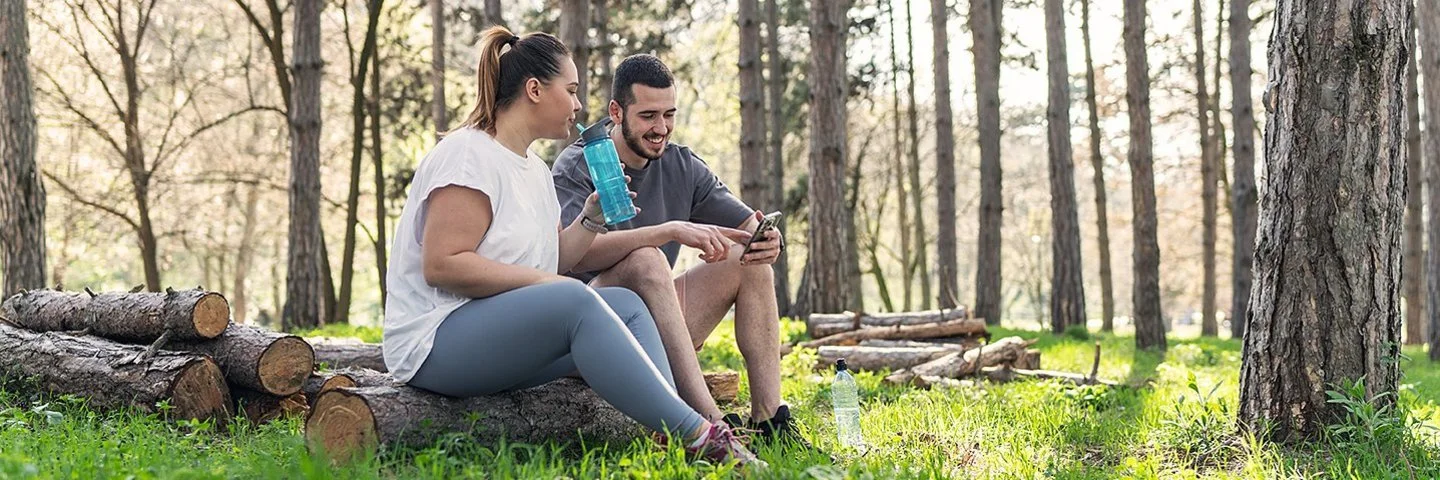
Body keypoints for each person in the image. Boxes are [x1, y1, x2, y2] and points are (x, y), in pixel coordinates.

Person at [382, 27, 762, 467]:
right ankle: (705, 439)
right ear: (535, 90)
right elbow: (443, 265)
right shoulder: (468, 154)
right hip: (433, 343)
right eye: (572, 90)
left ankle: (668, 429)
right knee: (573, 298)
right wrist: (552, 285)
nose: (580, 105)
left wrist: (590, 218)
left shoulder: (535, 172)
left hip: (494, 337)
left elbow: (554, 259)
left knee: (624, 304)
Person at [552, 54, 801, 444]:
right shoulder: (577, 165)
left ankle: (770, 422)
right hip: (593, 329)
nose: (661, 128)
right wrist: (665, 231)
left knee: (748, 261)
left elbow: (746, 225)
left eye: (669, 114)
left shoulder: (682, 165)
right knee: (648, 259)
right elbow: (571, 257)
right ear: (616, 112)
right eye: (648, 116)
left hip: (659, 321)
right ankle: (711, 427)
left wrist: (765, 238)